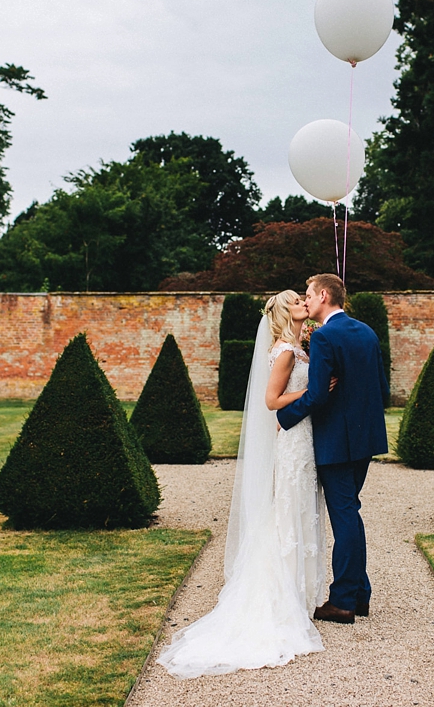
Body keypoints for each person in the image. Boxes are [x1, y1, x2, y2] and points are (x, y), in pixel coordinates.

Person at [156, 290, 330, 678]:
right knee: (289, 507)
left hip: (302, 438)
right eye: (297, 301)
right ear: (287, 311)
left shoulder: (300, 345)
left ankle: (298, 593)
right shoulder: (285, 350)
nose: (305, 302)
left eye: (305, 299)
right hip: (293, 439)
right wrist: (313, 392)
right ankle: (285, 594)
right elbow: (271, 400)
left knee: (298, 507)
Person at [277, 273, 389, 624]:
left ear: (324, 295)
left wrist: (285, 416)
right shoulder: (367, 332)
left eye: (309, 295)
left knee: (344, 516)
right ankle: (359, 595)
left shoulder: (324, 336)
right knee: (349, 513)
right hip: (365, 439)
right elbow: (381, 389)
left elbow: (317, 394)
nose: (306, 301)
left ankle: (342, 601)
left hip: (337, 443)